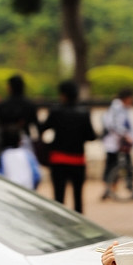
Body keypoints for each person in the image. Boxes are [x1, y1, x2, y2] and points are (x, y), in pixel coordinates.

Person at [38, 80, 97, 213]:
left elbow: (42, 128)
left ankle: (59, 223)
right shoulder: (84, 113)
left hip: (58, 159)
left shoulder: (56, 112)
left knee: (59, 197)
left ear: (63, 95)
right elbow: (91, 136)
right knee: (78, 197)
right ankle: (79, 223)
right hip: (77, 160)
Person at [101, 88, 133, 200]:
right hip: (115, 143)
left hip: (119, 143)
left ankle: (123, 188)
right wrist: (125, 136)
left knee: (120, 165)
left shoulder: (121, 108)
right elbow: (114, 125)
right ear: (127, 98)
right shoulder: (117, 109)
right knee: (113, 166)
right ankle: (110, 189)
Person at [0, 74, 41, 147]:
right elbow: (36, 124)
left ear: (10, 87)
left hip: (6, 141)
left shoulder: (3, 105)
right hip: (25, 141)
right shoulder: (29, 105)